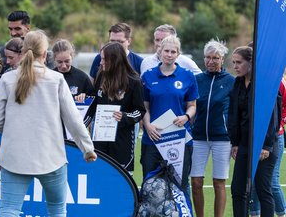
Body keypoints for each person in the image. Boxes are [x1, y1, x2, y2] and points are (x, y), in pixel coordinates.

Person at [0, 30, 97, 217]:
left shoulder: (7, 79)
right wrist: (87, 148)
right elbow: (73, 119)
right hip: (51, 156)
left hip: (14, 156)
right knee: (57, 210)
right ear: (46, 54)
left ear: (23, 52)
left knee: (9, 210)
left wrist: (13, 132)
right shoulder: (56, 80)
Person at [141, 35, 198, 191]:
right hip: (153, 137)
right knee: (150, 184)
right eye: (166, 50)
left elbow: (192, 105)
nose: (169, 54)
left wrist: (186, 117)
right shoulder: (148, 75)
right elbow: (144, 107)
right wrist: (148, 126)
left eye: (173, 52)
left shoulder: (187, 75)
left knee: (180, 185)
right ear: (160, 51)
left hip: (178, 138)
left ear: (178, 54)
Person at [229, 46, 277, 217]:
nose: (235, 66)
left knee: (263, 190)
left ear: (251, 62)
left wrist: (266, 145)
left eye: (239, 62)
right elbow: (234, 113)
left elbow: (273, 117)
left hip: (264, 145)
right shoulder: (237, 82)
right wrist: (234, 142)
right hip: (243, 144)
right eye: (233, 62)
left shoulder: (265, 83)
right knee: (237, 189)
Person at [84, 41, 145, 173]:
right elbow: (94, 104)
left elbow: (140, 111)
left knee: (121, 179)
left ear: (115, 60)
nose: (101, 63)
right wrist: (83, 124)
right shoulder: (101, 76)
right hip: (100, 138)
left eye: (104, 59)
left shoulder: (134, 81)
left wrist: (125, 116)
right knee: (98, 175)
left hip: (122, 140)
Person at [190, 39, 235, 217]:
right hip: (198, 137)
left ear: (222, 59)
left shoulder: (231, 81)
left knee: (218, 182)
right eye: (207, 57)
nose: (210, 61)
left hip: (222, 139)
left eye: (215, 58)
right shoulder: (196, 80)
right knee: (196, 182)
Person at [250, 74, 286, 217]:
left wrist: (279, 124)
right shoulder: (251, 80)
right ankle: (254, 213)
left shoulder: (280, 82)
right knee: (253, 180)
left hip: (275, 136)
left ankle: (282, 213)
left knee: (271, 181)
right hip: (254, 137)